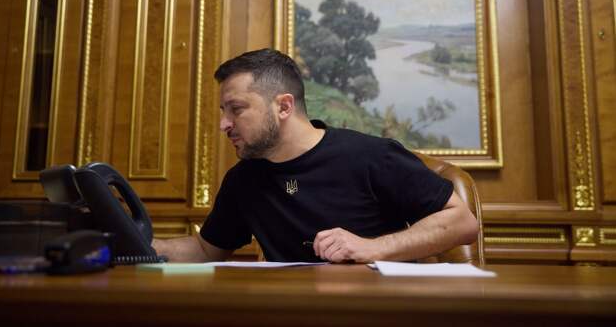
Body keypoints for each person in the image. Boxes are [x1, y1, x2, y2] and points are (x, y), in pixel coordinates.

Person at [152, 48, 478, 263]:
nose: (224, 124)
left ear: (283, 106)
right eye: (223, 111)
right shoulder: (243, 178)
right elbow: (205, 250)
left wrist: (373, 247)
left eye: (236, 109)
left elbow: (462, 222)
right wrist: (137, 245)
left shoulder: (372, 156)